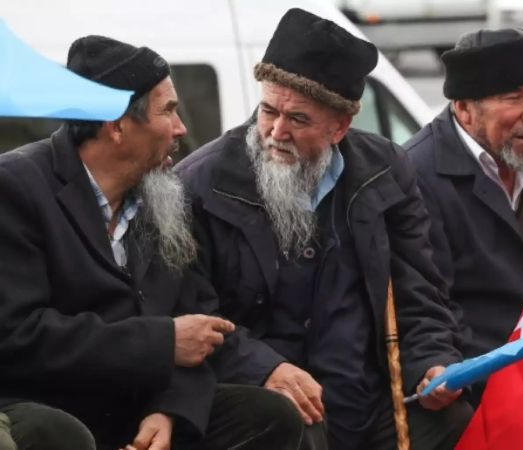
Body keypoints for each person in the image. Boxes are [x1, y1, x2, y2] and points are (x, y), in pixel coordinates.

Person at [176, 8, 471, 450]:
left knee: (452, 417)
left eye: (298, 119)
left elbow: (419, 292)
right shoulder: (200, 184)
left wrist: (431, 362)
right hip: (275, 402)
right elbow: (191, 311)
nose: (276, 131)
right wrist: (263, 369)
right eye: (268, 110)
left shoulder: (385, 171)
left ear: (340, 127)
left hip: (369, 402)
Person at [0, 36, 302, 450]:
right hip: (50, 407)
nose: (181, 129)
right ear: (117, 125)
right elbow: (20, 336)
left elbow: (197, 331)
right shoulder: (17, 187)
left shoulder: (163, 197)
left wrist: (170, 412)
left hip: (139, 406)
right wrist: (160, 343)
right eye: (168, 111)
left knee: (270, 416)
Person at [403, 28, 523, 405]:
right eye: (514, 98)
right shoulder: (416, 177)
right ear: (464, 109)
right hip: (479, 382)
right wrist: (436, 365)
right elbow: (421, 299)